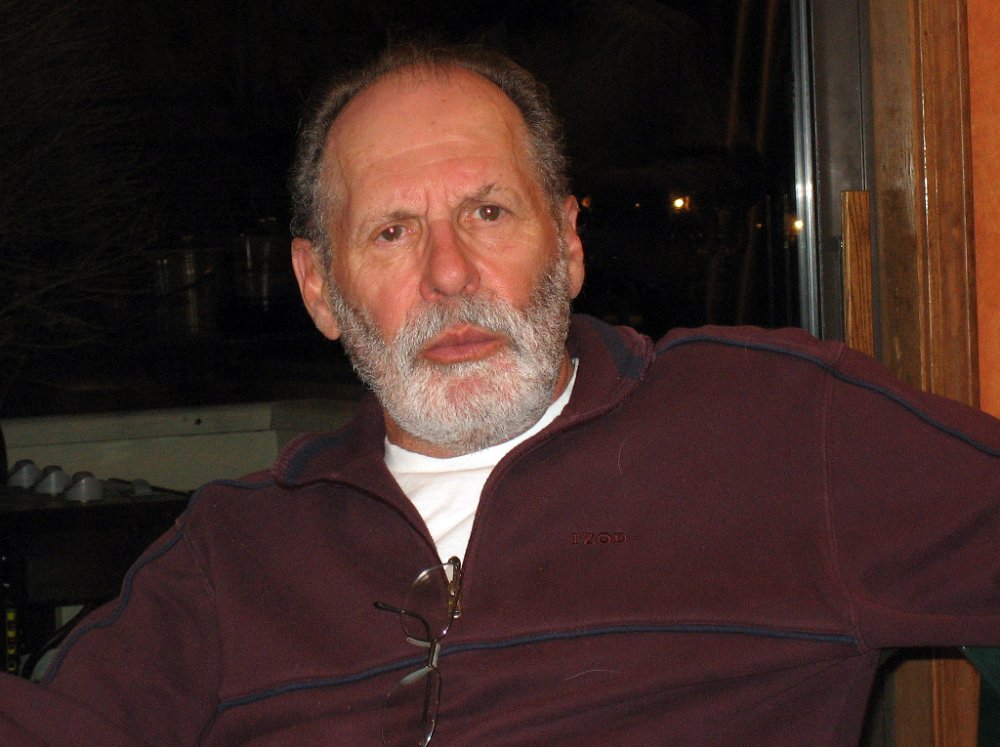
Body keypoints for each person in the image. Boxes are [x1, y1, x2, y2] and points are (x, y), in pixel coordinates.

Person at [2, 43, 999, 746]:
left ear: (567, 244)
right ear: (319, 289)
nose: (449, 274)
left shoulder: (771, 427)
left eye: (488, 212)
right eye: (392, 231)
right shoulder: (235, 552)